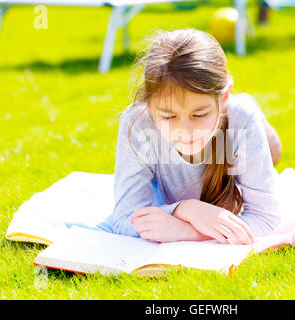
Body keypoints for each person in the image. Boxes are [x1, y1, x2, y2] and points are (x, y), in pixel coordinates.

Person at [112, 28, 282, 245]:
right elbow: (125, 221)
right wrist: (187, 209)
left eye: (199, 114)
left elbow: (266, 218)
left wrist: (190, 232)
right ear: (150, 106)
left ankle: (249, 104)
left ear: (224, 97)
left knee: (271, 150)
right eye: (168, 116)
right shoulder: (137, 122)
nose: (185, 130)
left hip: (246, 130)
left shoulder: (242, 121)